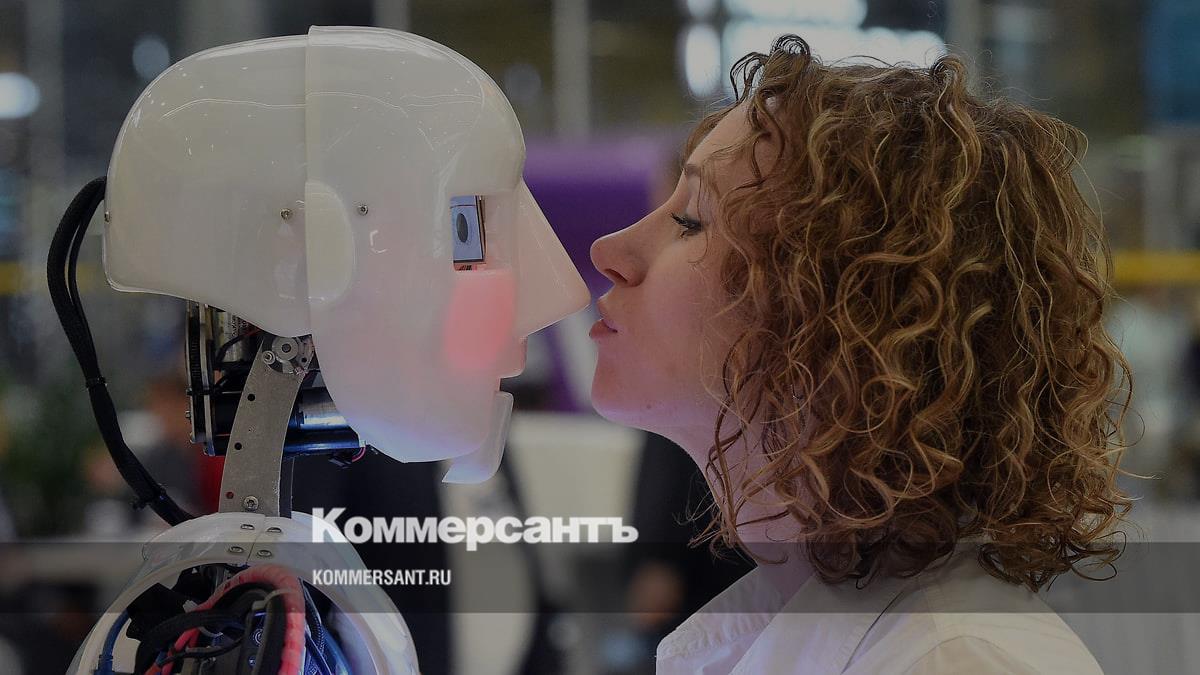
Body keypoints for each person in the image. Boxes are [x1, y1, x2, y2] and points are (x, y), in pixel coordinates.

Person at [588, 35, 1133, 674]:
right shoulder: (843, 628)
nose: (608, 252)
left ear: (846, 314)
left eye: (691, 222)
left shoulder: (950, 662)